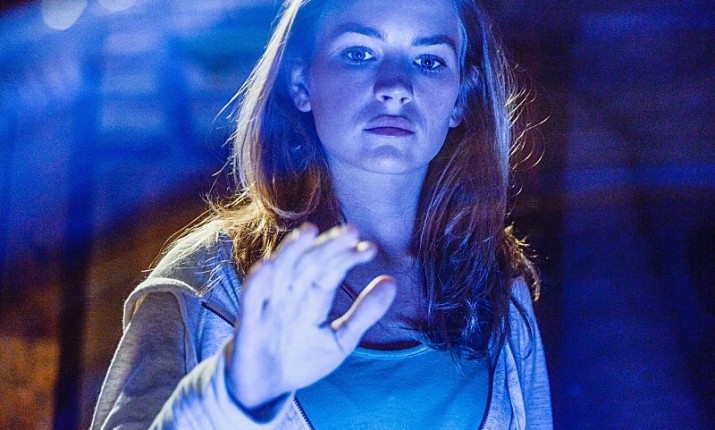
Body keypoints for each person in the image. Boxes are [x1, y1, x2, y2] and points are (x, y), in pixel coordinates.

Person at [91, 0, 552, 428]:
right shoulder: (205, 282)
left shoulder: (498, 288)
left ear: (460, 99)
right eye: (359, 54)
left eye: (429, 61)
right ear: (300, 83)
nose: (395, 87)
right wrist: (232, 397)